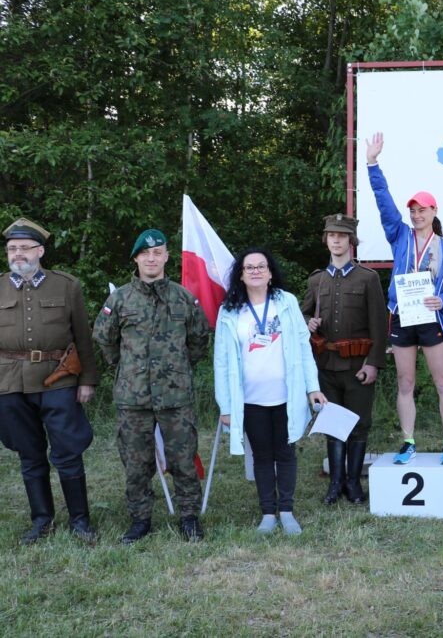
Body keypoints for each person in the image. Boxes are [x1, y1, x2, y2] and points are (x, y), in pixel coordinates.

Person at [93, 229, 211, 544]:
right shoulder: (120, 299)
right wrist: (127, 368)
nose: (151, 258)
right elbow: (105, 338)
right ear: (136, 259)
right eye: (145, 254)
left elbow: (199, 339)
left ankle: (189, 517)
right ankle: (140, 519)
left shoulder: (183, 297)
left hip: (175, 395)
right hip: (133, 397)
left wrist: (177, 368)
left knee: (183, 460)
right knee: (136, 463)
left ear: (166, 257)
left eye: (157, 252)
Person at [0, 217, 99, 545]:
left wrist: (87, 379)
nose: (18, 254)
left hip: (59, 379)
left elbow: (83, 337)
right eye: (12, 248)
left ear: (40, 251)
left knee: (68, 452)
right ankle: (42, 521)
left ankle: (80, 521)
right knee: (29, 455)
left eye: (24, 248)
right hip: (10, 384)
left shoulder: (66, 286)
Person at [214, 248, 327, 534]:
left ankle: (286, 511)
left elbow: (303, 347)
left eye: (261, 266)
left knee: (286, 453)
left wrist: (312, 387)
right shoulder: (229, 311)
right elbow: (221, 362)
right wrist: (225, 406)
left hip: (286, 396)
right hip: (250, 400)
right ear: (241, 275)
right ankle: (267, 513)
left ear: (270, 273)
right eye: (249, 267)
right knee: (262, 457)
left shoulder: (286, 302)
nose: (255, 271)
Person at [364, 133, 443, 465]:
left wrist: (442, 302)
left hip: (431, 320)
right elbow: (383, 202)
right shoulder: (399, 234)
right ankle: (408, 441)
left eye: (422, 210)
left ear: (434, 211)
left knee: (442, 381)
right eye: (413, 210)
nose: (417, 215)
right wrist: (372, 164)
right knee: (405, 382)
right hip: (403, 317)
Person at [301, 214, 387, 504]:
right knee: (332, 423)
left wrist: (373, 363)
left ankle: (353, 483)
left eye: (341, 236)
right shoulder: (317, 280)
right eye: (331, 235)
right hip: (326, 365)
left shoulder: (367, 278)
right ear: (325, 239)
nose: (336, 240)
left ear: (351, 240)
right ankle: (335, 483)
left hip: (358, 365)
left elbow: (379, 324)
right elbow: (303, 313)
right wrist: (308, 322)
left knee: (359, 424)